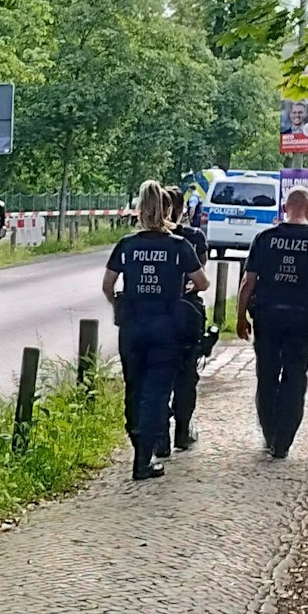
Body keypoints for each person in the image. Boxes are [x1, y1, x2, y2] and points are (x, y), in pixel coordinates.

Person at [103, 180, 209, 479]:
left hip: (132, 327)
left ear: (138, 210)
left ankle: (138, 443)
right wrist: (180, 285)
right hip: (167, 328)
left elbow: (108, 285)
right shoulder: (178, 245)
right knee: (157, 392)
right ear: (166, 210)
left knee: (134, 389)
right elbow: (202, 283)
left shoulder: (127, 245)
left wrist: (119, 307)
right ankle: (143, 459)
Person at [237, 189, 308, 458]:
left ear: (284, 207)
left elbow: (248, 283)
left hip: (267, 318)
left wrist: (240, 316)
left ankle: (270, 433)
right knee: (295, 378)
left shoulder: (265, 239)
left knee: (267, 376)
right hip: (302, 319)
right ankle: (283, 441)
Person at [165, 185, 209, 452]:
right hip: (187, 315)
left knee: (157, 375)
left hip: (153, 316)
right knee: (186, 376)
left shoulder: (142, 240)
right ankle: (182, 430)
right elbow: (201, 275)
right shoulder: (193, 238)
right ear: (181, 209)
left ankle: (159, 436)